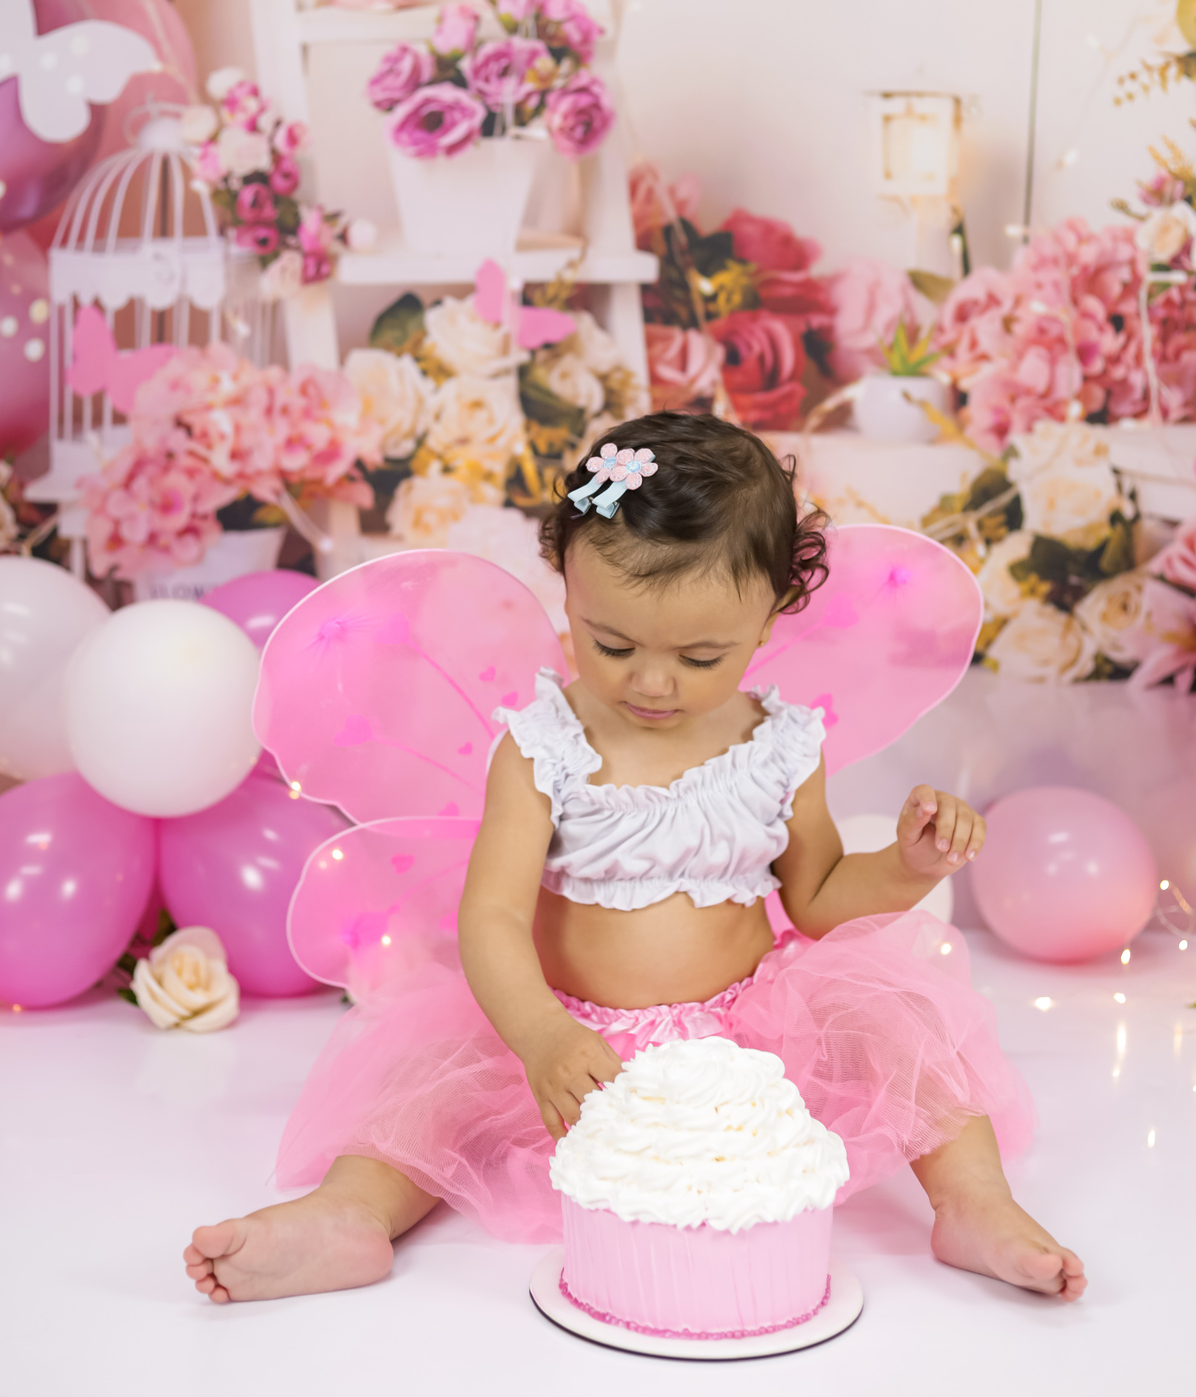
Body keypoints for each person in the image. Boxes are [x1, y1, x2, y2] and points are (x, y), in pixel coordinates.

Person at [184, 413, 1085, 1306]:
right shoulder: (543, 747)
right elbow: (492, 916)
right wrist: (538, 1034)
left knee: (902, 1023)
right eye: (611, 644)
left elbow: (816, 898)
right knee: (429, 1088)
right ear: (568, 591)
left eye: (700, 656)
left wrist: (909, 865)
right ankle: (347, 1214)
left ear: (770, 617)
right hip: (574, 1038)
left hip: (753, 1035)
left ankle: (975, 1204)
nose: (651, 682)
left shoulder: (781, 745)